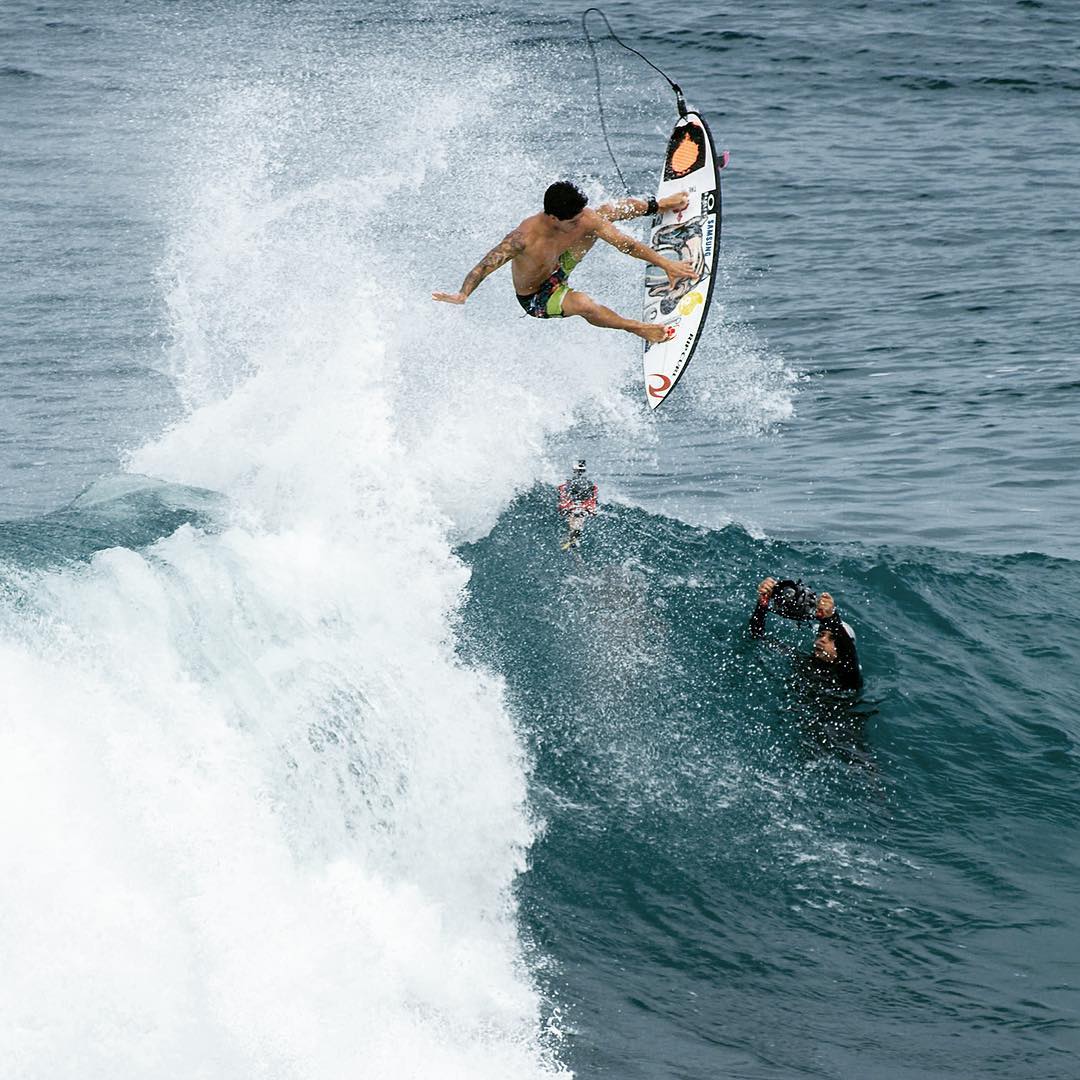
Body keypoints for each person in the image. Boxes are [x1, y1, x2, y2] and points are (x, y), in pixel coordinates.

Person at [432, 181, 697, 344]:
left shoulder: (582, 217)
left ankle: (658, 205)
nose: (580, 222)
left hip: (560, 265)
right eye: (573, 221)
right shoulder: (522, 239)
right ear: (553, 218)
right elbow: (483, 267)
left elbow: (625, 244)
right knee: (583, 303)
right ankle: (638, 329)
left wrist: (665, 263)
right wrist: (462, 294)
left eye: (580, 216)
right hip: (538, 297)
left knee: (603, 214)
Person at [749, 577, 862, 690]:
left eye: (832, 638)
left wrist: (832, 618)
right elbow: (757, 636)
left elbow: (848, 657)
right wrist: (762, 605)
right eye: (820, 634)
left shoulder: (849, 677)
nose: (822, 640)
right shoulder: (801, 661)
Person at [557, 459, 598, 550]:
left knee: (574, 516)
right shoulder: (589, 484)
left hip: (575, 503)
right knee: (578, 516)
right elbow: (593, 497)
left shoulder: (569, 483)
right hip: (583, 504)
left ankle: (573, 536)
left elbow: (563, 495)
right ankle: (574, 535)